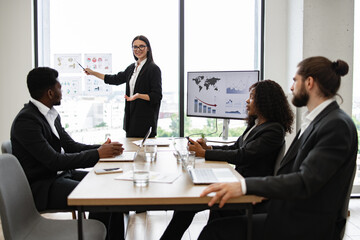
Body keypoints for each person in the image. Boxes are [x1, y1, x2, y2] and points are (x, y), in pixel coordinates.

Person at [198, 56, 358, 240]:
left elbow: (305, 181)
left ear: (309, 83)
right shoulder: (318, 121)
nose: (291, 88)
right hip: (291, 210)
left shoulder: (335, 125)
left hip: (305, 224)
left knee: (215, 232)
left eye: (294, 81)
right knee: (218, 216)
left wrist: (245, 186)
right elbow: (293, 173)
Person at [160, 80, 294, 240]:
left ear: (265, 101)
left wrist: (204, 154)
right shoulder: (256, 125)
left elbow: (242, 155)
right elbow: (234, 147)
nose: (247, 101)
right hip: (235, 180)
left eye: (251, 97)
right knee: (185, 208)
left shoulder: (274, 130)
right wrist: (208, 149)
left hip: (246, 190)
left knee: (188, 207)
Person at [11, 67, 126, 240]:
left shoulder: (50, 115)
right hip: (44, 186)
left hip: (62, 176)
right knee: (102, 197)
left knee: (111, 188)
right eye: (60, 87)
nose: (62, 92)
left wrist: (102, 148)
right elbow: (54, 161)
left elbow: (70, 146)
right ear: (50, 92)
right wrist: (98, 154)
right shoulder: (27, 121)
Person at [85, 35, 162, 138]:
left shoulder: (153, 69)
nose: (138, 49)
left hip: (145, 122)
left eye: (141, 46)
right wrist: (93, 73)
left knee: (144, 153)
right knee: (131, 152)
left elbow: (156, 96)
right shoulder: (131, 68)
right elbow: (114, 79)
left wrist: (138, 95)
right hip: (131, 120)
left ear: (148, 48)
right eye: (135, 47)